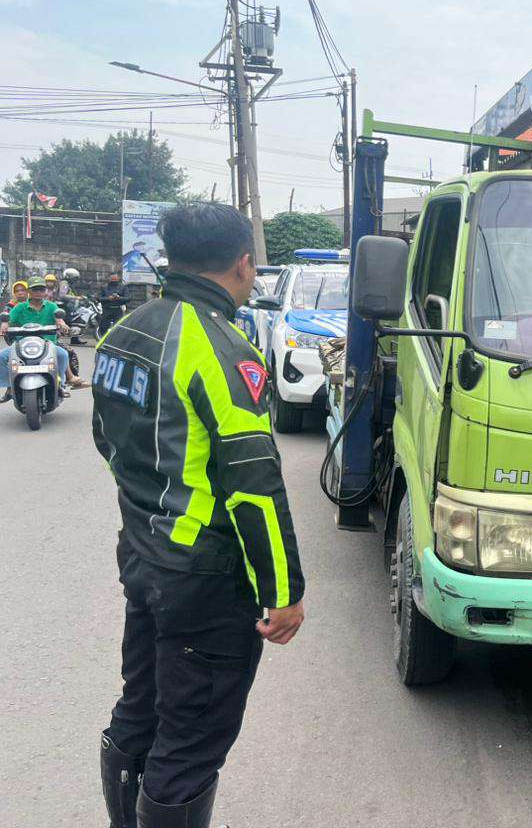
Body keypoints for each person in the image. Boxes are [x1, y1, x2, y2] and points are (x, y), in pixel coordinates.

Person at [93, 203, 306, 828]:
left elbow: (110, 443)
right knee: (189, 744)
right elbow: (254, 488)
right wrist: (285, 591)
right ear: (243, 265)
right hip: (204, 580)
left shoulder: (122, 332)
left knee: (141, 711)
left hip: (143, 557)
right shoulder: (220, 348)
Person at [0, 277, 72, 401]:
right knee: (1, 357)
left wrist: (62, 324)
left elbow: (58, 318)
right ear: (29, 291)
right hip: (22, 344)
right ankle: (9, 386)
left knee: (63, 355)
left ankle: (60, 384)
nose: (38, 292)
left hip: (47, 344)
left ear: (45, 291)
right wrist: (4, 325)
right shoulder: (19, 307)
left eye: (41, 289)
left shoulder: (51, 306)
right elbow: (8, 320)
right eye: (35, 289)